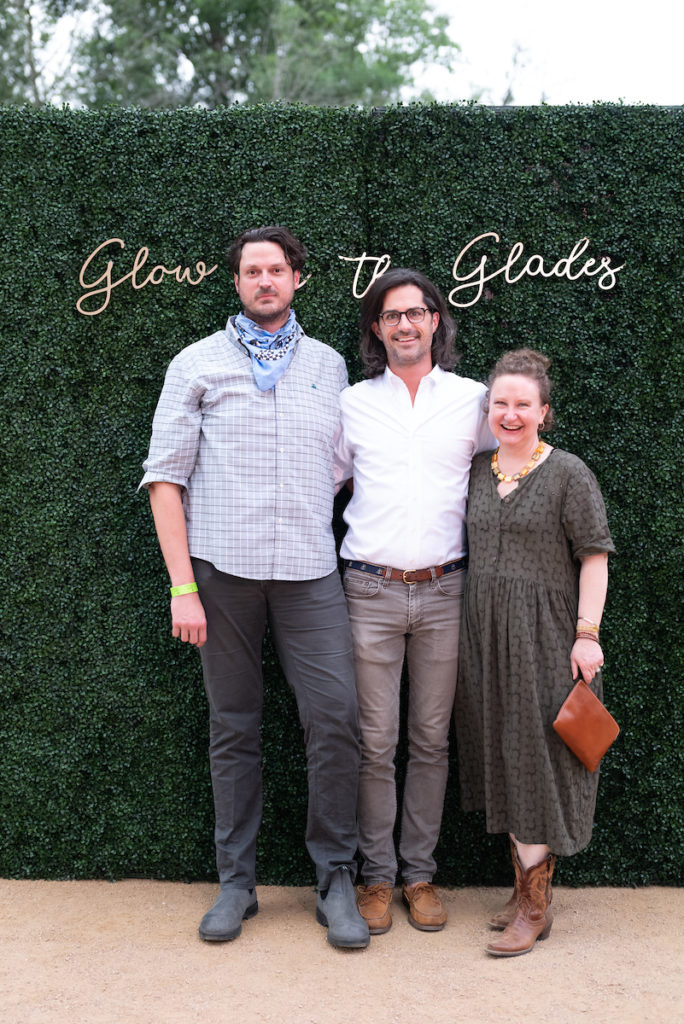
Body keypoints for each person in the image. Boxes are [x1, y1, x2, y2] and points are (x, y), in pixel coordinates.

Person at [139, 226, 368, 950]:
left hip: (309, 572)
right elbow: (165, 479)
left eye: (276, 269)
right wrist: (182, 587)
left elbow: (341, 465)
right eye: (251, 271)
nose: (264, 280)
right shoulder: (196, 363)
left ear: (297, 278)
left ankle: (334, 878)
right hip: (221, 574)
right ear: (237, 282)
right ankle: (236, 882)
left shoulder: (329, 365)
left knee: (335, 719)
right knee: (233, 726)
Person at [334, 268, 495, 935]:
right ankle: (376, 877)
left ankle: (419, 875)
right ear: (376, 329)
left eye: (416, 312)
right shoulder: (351, 403)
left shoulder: (473, 400)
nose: (405, 324)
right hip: (369, 589)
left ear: (435, 321)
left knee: (431, 740)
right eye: (391, 315)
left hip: (446, 590)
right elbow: (323, 481)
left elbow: (507, 470)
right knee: (375, 743)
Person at [455, 348, 615, 958]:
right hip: (484, 638)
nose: (511, 413)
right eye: (500, 403)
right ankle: (522, 889)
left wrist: (587, 634)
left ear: (544, 411)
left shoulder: (569, 473)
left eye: (523, 404)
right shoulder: (477, 470)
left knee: (538, 760)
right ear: (488, 410)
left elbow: (594, 556)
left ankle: (534, 907)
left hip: (545, 640)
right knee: (503, 752)